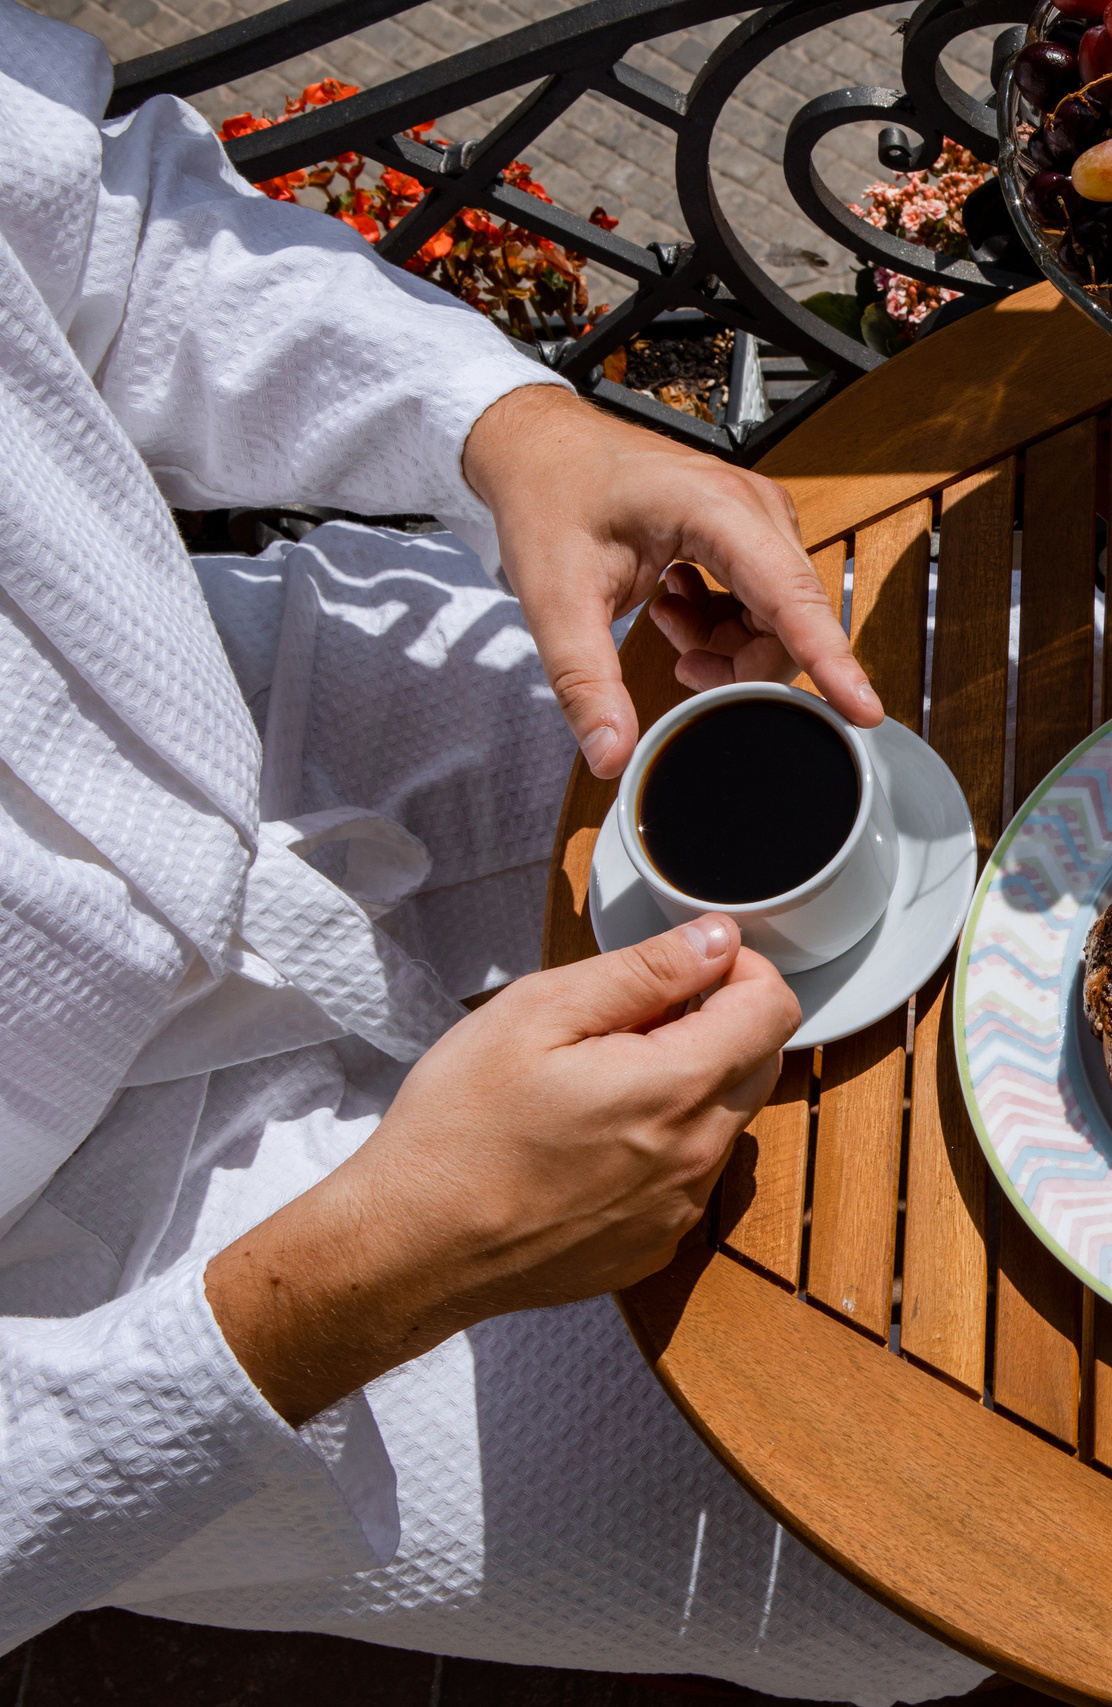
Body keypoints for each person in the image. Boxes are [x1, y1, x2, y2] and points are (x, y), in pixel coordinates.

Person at [0, 6, 990, 1699]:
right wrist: (368, 1281)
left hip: (241, 712)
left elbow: (86, 232)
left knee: (971, 754)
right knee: (936, 1545)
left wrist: (510, 429)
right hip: (135, 1283)